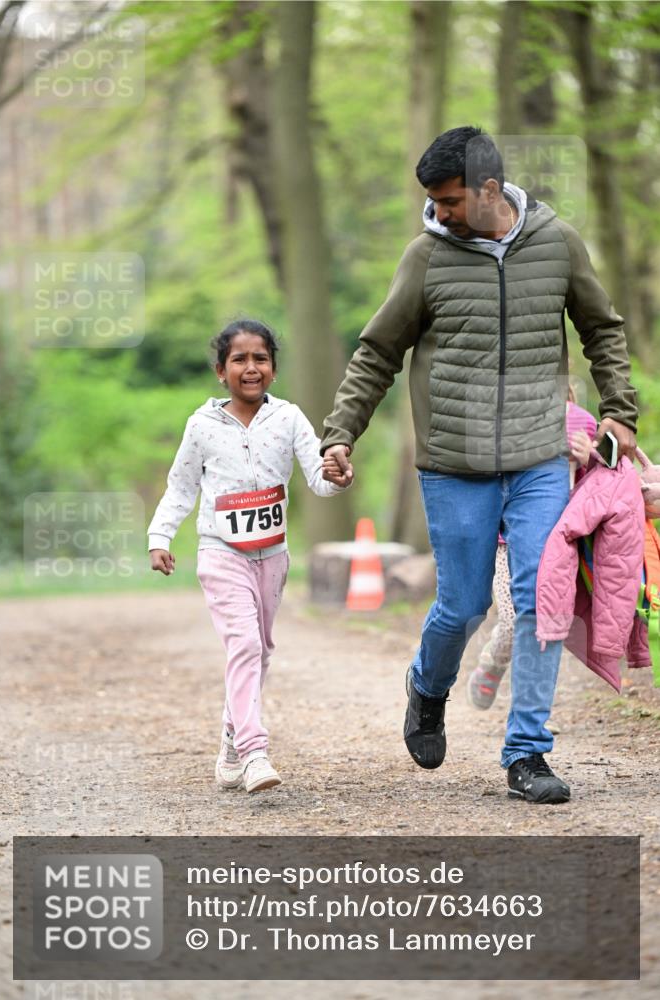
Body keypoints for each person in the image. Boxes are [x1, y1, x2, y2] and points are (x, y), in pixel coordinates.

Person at [321, 126, 637, 804]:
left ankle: (526, 753)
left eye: (451, 200)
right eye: (432, 202)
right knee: (462, 605)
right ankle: (426, 688)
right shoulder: (424, 257)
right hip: (452, 460)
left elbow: (601, 328)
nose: (439, 213)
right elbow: (377, 352)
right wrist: (339, 434)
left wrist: (618, 411)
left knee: (537, 603)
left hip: (538, 458)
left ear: (490, 189)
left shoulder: (555, 243)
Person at [148, 319, 349, 794]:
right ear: (221, 370)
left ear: (274, 369)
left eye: (260, 358)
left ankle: (232, 739)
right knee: (244, 645)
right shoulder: (202, 427)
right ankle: (255, 751)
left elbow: (319, 480)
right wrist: (160, 537)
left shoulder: (290, 418)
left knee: (260, 650)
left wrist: (339, 476)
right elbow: (180, 487)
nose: (251, 367)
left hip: (272, 556)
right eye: (239, 359)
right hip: (221, 552)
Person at [467, 394, 597, 710]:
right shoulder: (500, 415)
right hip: (506, 542)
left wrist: (590, 459)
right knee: (513, 622)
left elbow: (598, 482)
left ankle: (529, 713)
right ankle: (492, 663)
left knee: (548, 624)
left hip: (559, 545)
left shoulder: (580, 421)